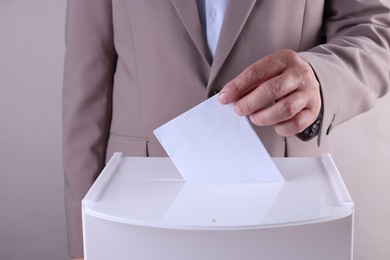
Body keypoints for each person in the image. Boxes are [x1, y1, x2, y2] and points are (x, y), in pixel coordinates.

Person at [63, 0, 390, 259]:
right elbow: (87, 79)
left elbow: (375, 31)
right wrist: (83, 236)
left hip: (288, 201)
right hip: (135, 206)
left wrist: (320, 78)